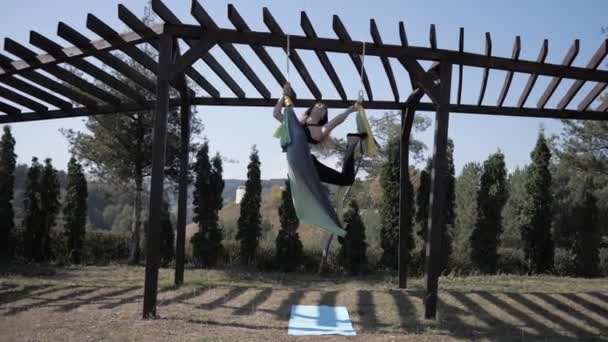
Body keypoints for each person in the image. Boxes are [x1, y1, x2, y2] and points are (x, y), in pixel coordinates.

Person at [273, 83, 365, 186]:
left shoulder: (321, 129)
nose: (323, 108)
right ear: (311, 108)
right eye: (320, 105)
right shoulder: (297, 124)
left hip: (309, 163)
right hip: (296, 161)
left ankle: (351, 144)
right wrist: (283, 95)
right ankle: (351, 142)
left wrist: (351, 109)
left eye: (325, 109)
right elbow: (276, 114)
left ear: (323, 116)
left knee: (347, 180)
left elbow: (338, 119)